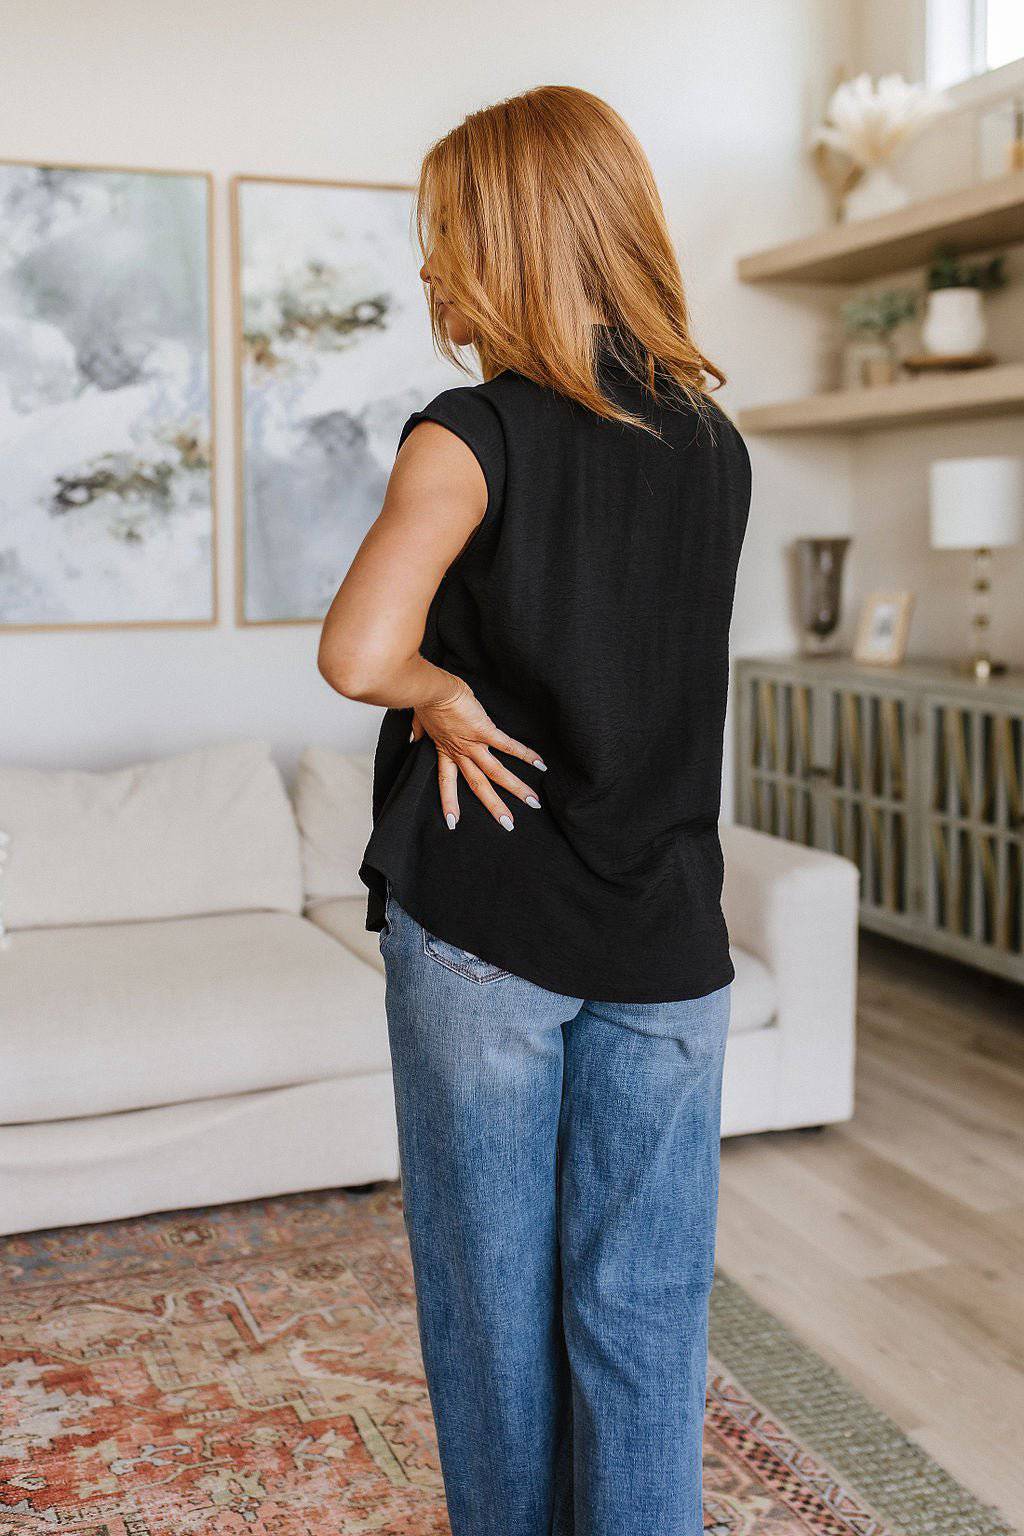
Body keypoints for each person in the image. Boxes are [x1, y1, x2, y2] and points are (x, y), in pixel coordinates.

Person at [318, 84, 750, 1536]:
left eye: (446, 231)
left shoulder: (466, 434)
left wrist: (438, 691)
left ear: (508, 241)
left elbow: (359, 656)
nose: (430, 265)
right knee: (646, 1317)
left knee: (495, 1316)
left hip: (488, 924)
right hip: (667, 933)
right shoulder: (713, 442)